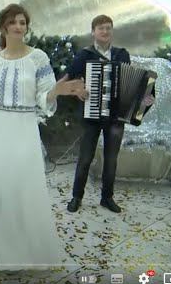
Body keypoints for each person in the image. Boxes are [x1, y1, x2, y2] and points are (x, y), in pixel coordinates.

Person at [0, 3, 85, 273]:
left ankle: (22, 253)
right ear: (3, 27)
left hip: (23, 129)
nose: (19, 26)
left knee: (22, 189)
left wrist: (58, 90)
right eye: (13, 22)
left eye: (22, 22)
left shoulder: (38, 58)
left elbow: (44, 98)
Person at [63, 15, 154, 214]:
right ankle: (76, 197)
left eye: (108, 28)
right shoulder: (85, 55)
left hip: (115, 117)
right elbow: (67, 80)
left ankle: (107, 198)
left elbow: (132, 84)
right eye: (101, 28)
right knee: (85, 158)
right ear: (93, 32)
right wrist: (78, 91)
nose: (105, 31)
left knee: (111, 160)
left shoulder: (122, 54)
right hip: (91, 116)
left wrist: (144, 100)